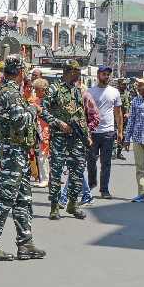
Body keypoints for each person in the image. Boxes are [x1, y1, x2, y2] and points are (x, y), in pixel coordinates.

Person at [0, 55, 46, 261]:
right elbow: (20, 121)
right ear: (21, 73)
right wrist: (33, 109)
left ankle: (26, 243)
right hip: (12, 153)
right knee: (6, 199)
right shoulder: (11, 93)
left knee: (23, 199)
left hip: (14, 152)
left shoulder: (1, 91)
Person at [39, 59, 89, 220]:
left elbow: (81, 114)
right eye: (78, 71)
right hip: (59, 136)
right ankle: (54, 206)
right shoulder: (54, 89)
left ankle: (72, 204)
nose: (79, 74)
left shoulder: (76, 90)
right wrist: (59, 123)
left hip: (76, 137)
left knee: (78, 170)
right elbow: (43, 111)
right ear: (70, 71)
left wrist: (86, 134)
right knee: (56, 171)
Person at [87, 66, 123, 199]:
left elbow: (118, 113)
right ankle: (91, 183)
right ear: (98, 75)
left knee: (106, 162)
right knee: (91, 161)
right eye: (104, 74)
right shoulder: (90, 92)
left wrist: (120, 131)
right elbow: (85, 113)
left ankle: (104, 189)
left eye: (108, 74)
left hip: (108, 132)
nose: (106, 76)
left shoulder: (115, 92)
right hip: (93, 132)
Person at [32, 78, 50, 187]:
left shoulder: (49, 100)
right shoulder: (35, 100)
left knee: (45, 155)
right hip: (39, 130)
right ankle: (43, 178)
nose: (36, 91)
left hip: (48, 130)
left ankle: (47, 179)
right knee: (41, 155)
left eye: (37, 89)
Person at [114, 78, 131, 160]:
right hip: (114, 117)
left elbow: (128, 104)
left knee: (123, 134)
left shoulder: (127, 93)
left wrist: (127, 113)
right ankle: (112, 151)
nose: (125, 86)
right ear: (119, 85)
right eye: (123, 84)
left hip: (124, 117)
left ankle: (119, 152)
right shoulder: (115, 93)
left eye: (125, 84)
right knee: (113, 134)